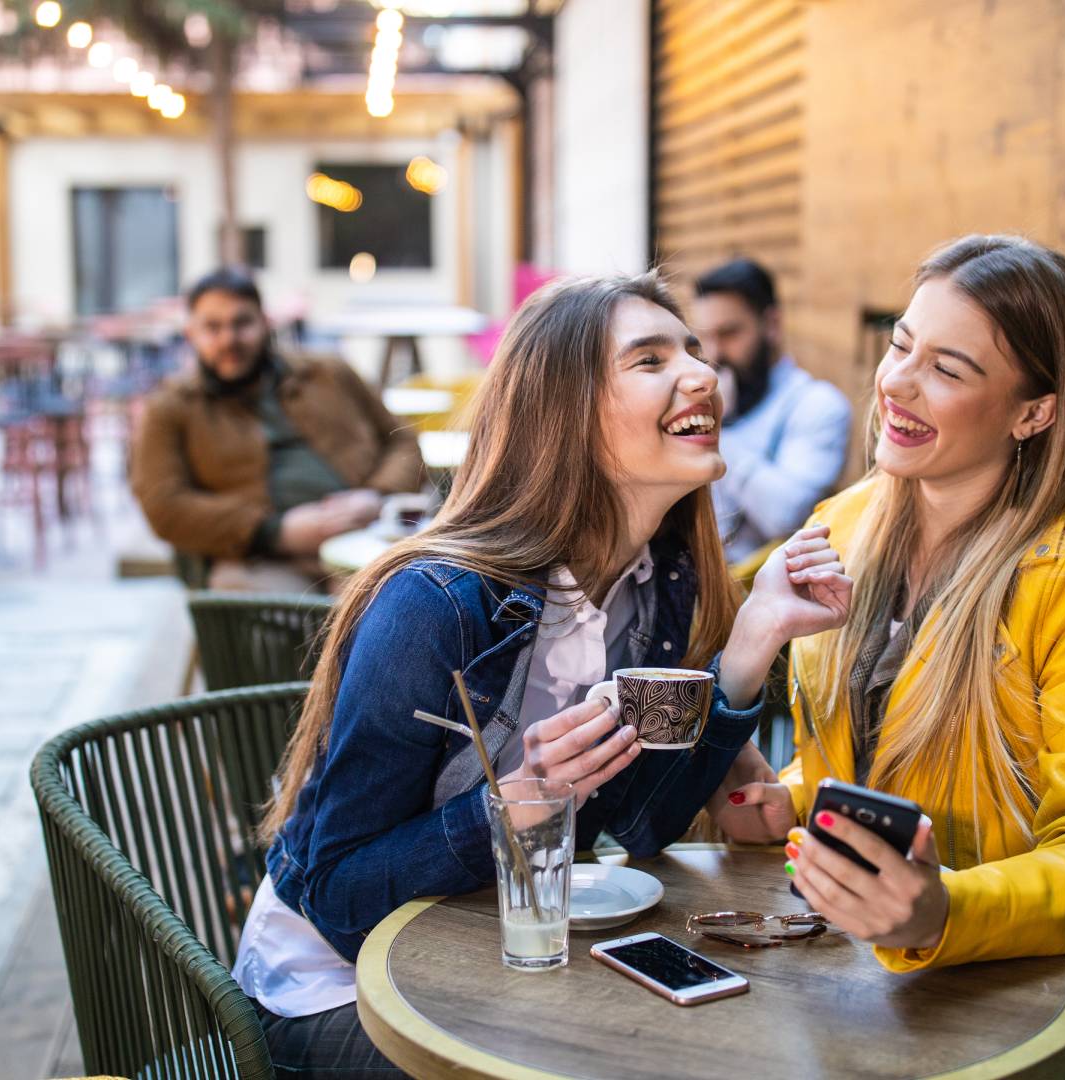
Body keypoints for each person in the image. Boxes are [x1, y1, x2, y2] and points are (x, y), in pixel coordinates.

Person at [231, 272, 852, 1075]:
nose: (703, 373)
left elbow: (641, 823)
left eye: (695, 352)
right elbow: (338, 895)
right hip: (335, 990)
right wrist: (517, 805)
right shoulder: (436, 605)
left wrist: (749, 646)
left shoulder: (661, 587)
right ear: (565, 411)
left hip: (505, 959)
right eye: (651, 360)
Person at [708, 236, 1065, 1076]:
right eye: (900, 346)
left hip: (1040, 1015)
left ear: (1035, 413)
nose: (896, 383)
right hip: (876, 990)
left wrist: (943, 910)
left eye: (948, 370)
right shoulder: (845, 524)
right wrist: (795, 800)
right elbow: (894, 755)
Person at [129, 268, 423, 593]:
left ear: (265, 322)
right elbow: (164, 504)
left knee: (404, 594)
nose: (229, 339)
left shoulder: (329, 373)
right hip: (257, 556)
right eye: (213, 327)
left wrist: (376, 495)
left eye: (242, 323)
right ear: (191, 334)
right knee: (256, 600)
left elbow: (404, 440)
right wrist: (274, 531)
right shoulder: (171, 407)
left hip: (364, 537)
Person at [693, 258, 852, 567]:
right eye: (706, 338)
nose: (715, 353)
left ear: (772, 325)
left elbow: (786, 516)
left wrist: (716, 428)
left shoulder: (818, 405)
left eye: (729, 333)